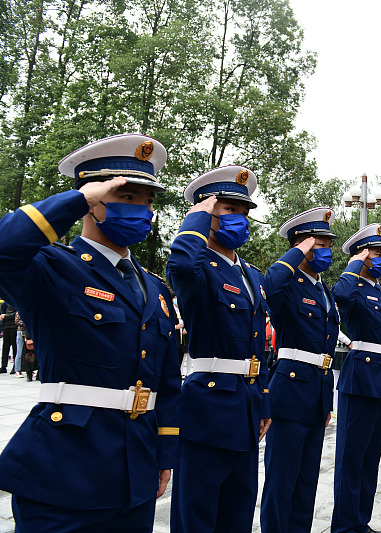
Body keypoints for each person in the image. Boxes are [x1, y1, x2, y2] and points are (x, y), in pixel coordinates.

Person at [0, 134, 181, 531]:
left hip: (136, 472)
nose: (143, 211)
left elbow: (166, 383)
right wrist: (77, 199)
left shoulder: (155, 289)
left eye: (148, 201)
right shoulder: (53, 267)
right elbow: (4, 248)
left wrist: (164, 455)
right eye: (127, 197)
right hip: (65, 470)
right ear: (93, 198)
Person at [167, 166, 271, 533]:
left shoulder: (251, 275)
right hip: (208, 407)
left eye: (244, 213)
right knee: (198, 512)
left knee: (239, 511)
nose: (240, 220)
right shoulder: (198, 269)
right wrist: (194, 220)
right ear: (207, 212)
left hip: (246, 405)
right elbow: (179, 263)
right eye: (228, 210)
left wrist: (264, 401)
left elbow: (259, 347)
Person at [261, 207, 339, 533]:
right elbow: (271, 283)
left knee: (307, 482)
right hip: (290, 391)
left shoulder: (324, 291)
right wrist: (297, 252)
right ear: (302, 246)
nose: (326, 251)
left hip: (317, 392)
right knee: (281, 482)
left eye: (328, 244)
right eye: (319, 244)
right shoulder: (289, 285)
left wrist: (326, 401)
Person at [331, 223, 381, 533]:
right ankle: (345, 526)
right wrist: (353, 265)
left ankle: (361, 522)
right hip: (361, 379)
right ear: (362, 256)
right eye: (376, 253)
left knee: (370, 459)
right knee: (351, 458)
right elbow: (340, 295)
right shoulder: (354, 287)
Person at [0, 300, 18, 373]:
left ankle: (15, 367)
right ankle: (3, 366)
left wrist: (6, 316)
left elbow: (17, 314)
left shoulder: (16, 302)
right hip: (7, 326)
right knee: (5, 347)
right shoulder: (4, 304)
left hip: (14, 326)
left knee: (14, 347)